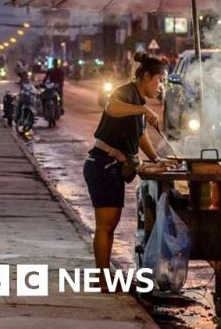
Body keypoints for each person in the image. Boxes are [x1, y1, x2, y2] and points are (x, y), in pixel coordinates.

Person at [83, 53, 176, 292]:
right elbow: (111, 107)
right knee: (105, 225)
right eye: (159, 80)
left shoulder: (136, 99)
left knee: (110, 224)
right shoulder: (125, 93)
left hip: (111, 168)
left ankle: (103, 277)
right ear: (145, 77)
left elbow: (141, 135)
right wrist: (143, 110)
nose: (160, 86)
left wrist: (158, 158)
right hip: (102, 165)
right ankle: (101, 279)